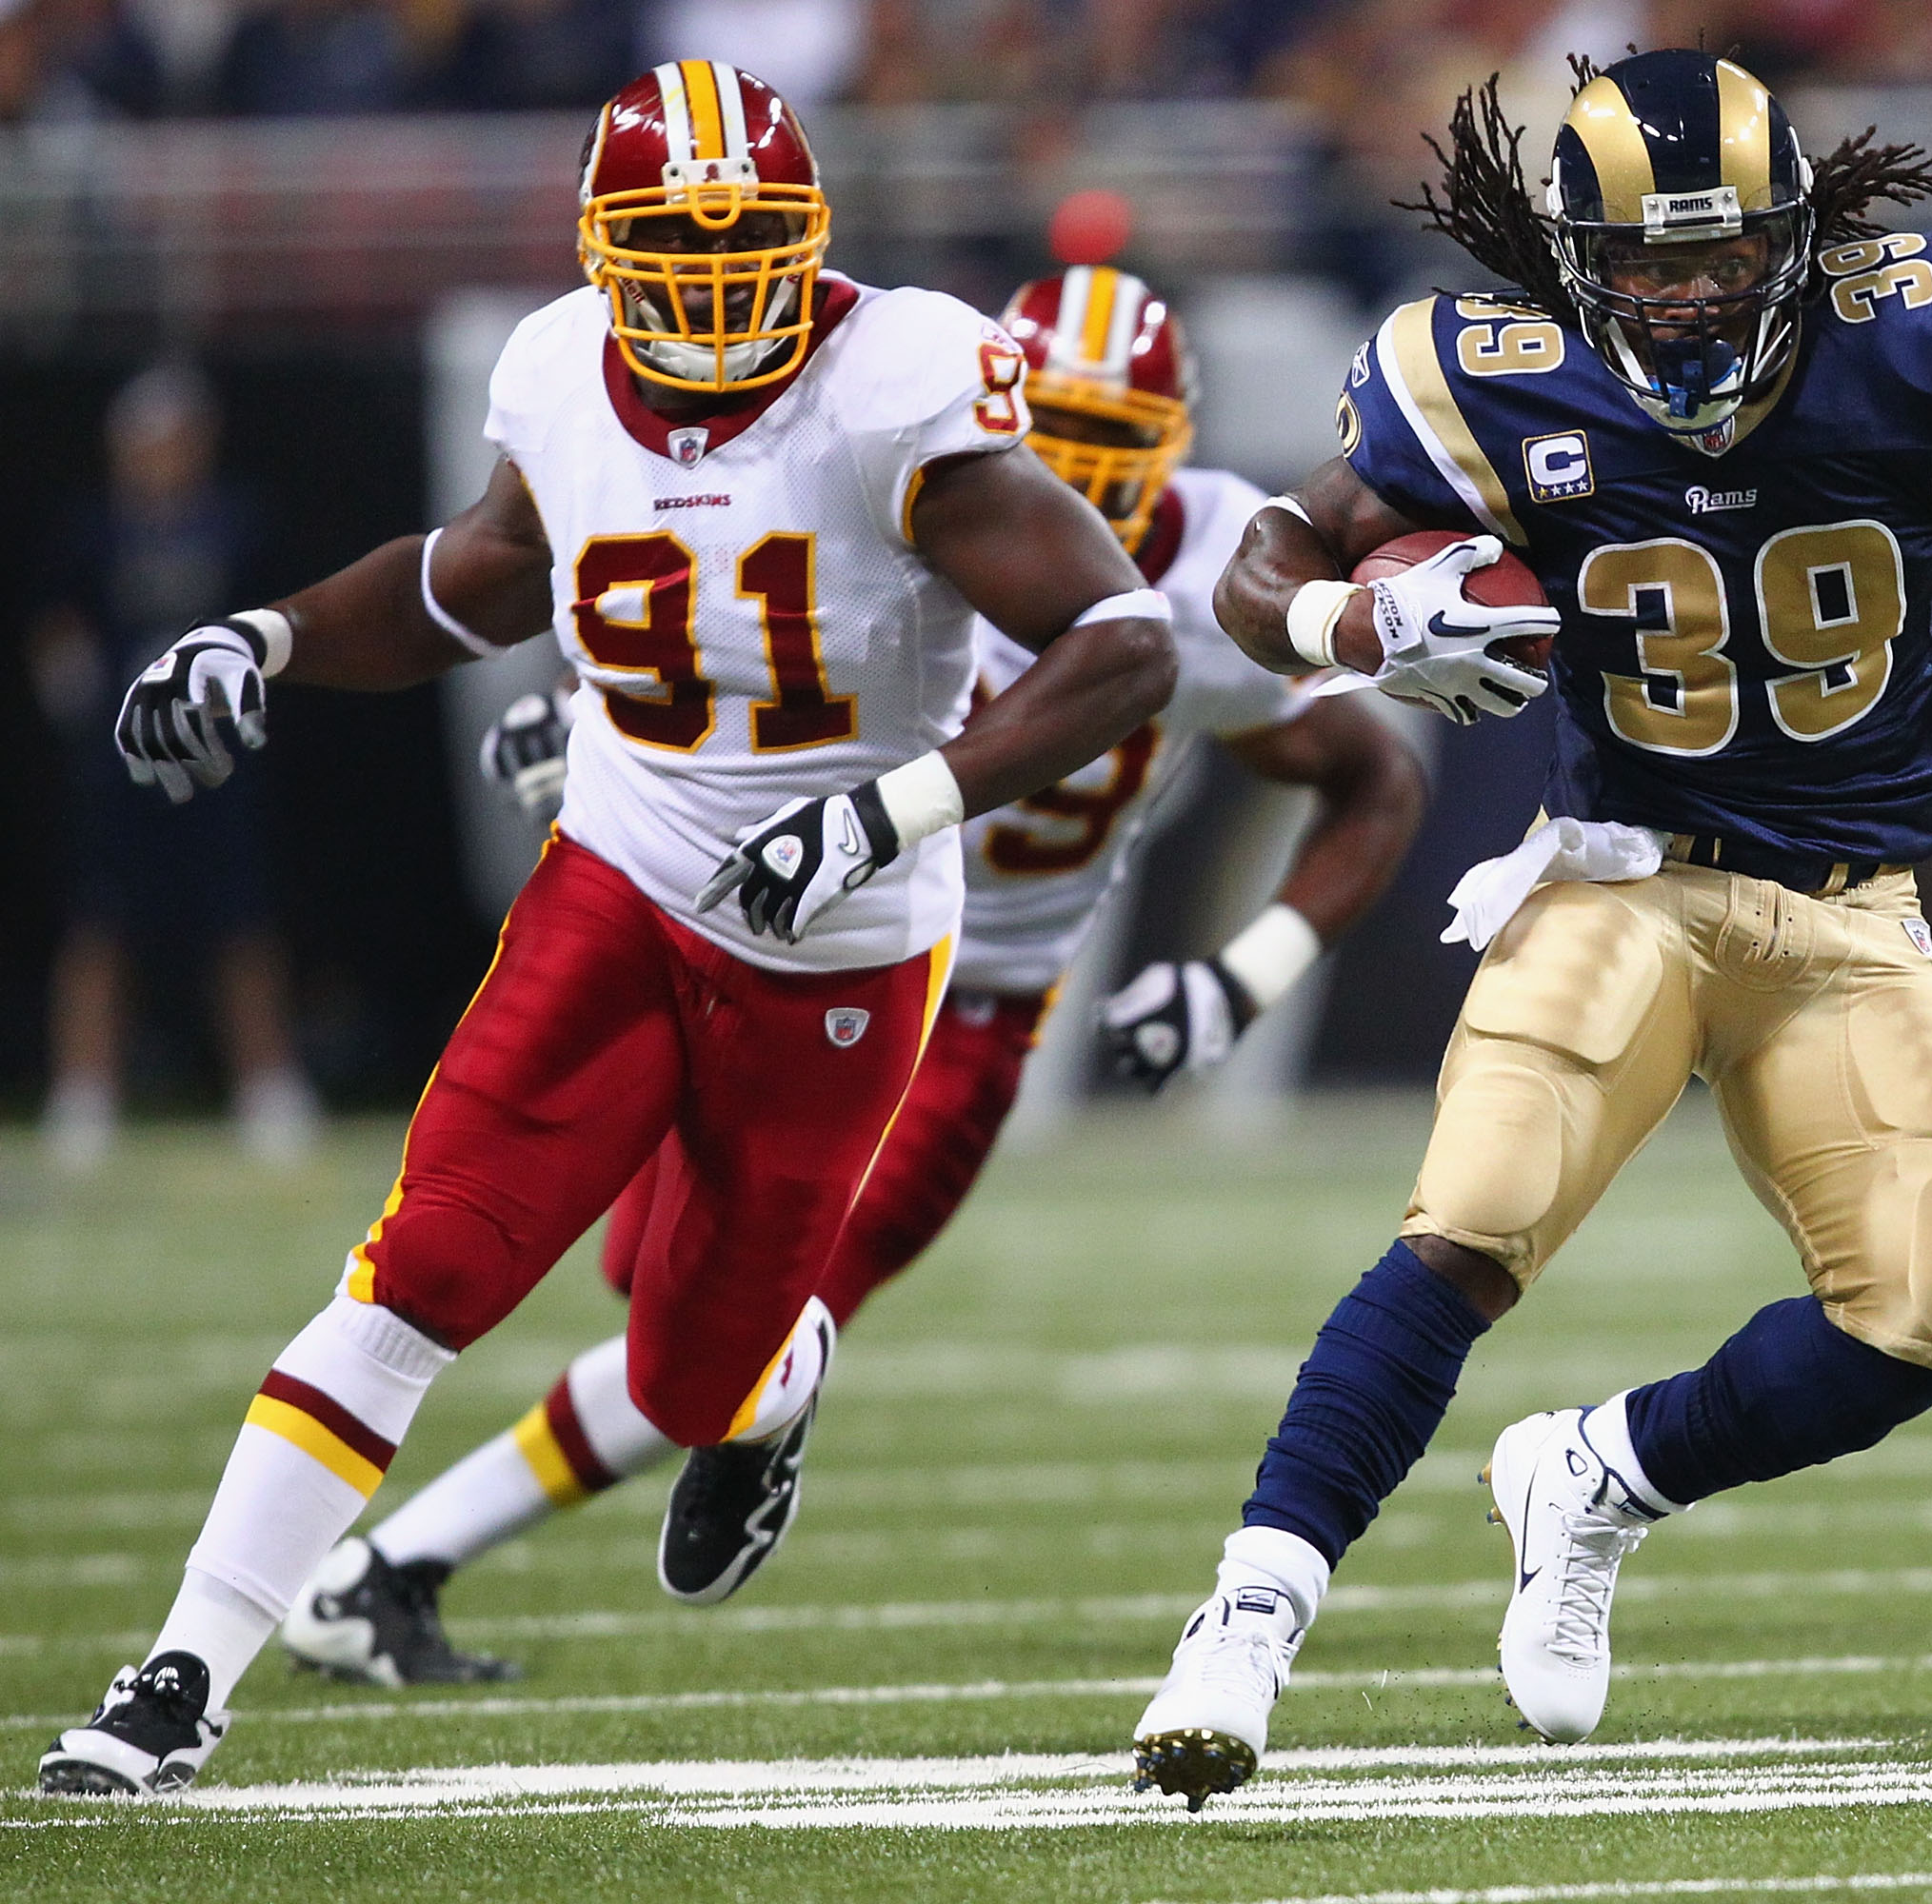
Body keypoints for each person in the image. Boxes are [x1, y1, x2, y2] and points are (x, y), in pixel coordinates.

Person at [1126, 49, 1932, 1809]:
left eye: (1722, 259)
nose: (1686, 303)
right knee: (1476, 1216)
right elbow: (1271, 558)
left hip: (1856, 910)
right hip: (1623, 870)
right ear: (1575, 262)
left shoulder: (1927, 343)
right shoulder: (1478, 374)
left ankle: (1598, 1477)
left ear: (1800, 238)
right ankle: (1244, 1626)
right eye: (1648, 266)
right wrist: (1347, 638)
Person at [38, 60, 1175, 1796]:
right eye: (674, 244)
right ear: (598, 246)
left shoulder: (899, 386)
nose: (715, 283)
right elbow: (472, 576)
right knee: (424, 1268)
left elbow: (1125, 644)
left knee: (694, 1366)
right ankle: (181, 1675)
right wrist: (262, 638)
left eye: (750, 244)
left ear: (811, 241)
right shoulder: (558, 368)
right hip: (625, 882)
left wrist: (893, 805)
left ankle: (774, 1386)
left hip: (844, 948)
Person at [273, 268, 1426, 1685]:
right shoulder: (901, 496)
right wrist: (577, 718)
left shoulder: (1196, 589)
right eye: (1050, 438)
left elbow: (1370, 776)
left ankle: (394, 1565)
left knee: (743, 1326)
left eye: (1114, 451)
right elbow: (705, 611)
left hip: (957, 1006)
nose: (1071, 480)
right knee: (653, 1289)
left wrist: (1240, 977)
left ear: (1170, 453)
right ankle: (394, 1566)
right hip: (747, 947)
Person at [30, 360, 319, 1171]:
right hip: (120, 763)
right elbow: (56, 624)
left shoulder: (237, 522)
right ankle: (84, 1091)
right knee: (101, 925)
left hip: (222, 759)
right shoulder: (92, 530)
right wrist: (79, 693)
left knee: (242, 922)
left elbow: (280, 627)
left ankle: (268, 1085)